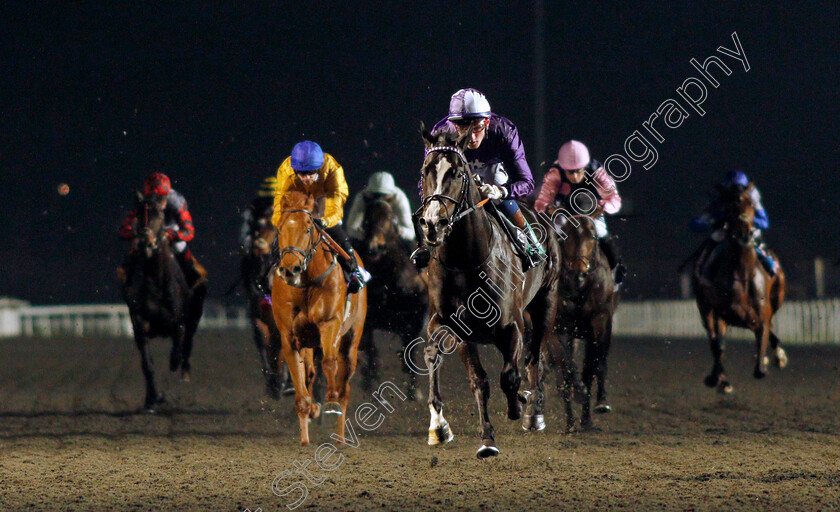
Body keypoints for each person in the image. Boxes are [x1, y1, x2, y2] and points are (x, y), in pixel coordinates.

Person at [412, 88, 545, 270]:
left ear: (487, 122)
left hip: (492, 170)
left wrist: (501, 191)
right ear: (452, 124)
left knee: (496, 182)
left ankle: (530, 242)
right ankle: (424, 247)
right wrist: (432, 204)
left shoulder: (505, 131)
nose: (472, 138)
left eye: (477, 128)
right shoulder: (440, 133)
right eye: (463, 129)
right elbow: (428, 178)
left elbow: (527, 182)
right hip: (457, 173)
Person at [271, 140, 371, 293]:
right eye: (302, 174)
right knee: (279, 239)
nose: (307, 178)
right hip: (299, 205)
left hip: (324, 200)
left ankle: (354, 271)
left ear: (319, 168)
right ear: (294, 169)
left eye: (311, 173)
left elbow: (337, 200)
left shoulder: (332, 169)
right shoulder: (286, 170)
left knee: (335, 231)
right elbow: (280, 200)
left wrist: (325, 221)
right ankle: (269, 277)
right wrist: (281, 222)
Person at [535, 140, 627, 286]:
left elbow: (615, 200)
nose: (575, 177)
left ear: (585, 167)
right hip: (566, 212)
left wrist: (603, 207)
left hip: (591, 212)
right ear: (563, 169)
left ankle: (616, 269)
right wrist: (550, 208)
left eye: (579, 171)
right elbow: (540, 203)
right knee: (553, 233)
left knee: (601, 232)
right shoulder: (555, 173)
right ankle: (544, 273)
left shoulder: (597, 172)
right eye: (570, 172)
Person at [118, 172, 207, 286]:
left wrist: (169, 234)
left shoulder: (176, 201)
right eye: (153, 198)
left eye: (161, 198)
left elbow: (189, 231)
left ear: (167, 195)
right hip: (148, 228)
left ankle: (192, 275)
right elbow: (123, 230)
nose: (158, 203)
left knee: (179, 246)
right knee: (136, 245)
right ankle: (127, 276)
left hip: (169, 226)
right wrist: (135, 233)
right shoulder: (141, 202)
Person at [690, 170, 778, 276]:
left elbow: (764, 223)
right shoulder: (717, 197)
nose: (736, 196)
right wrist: (713, 222)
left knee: (755, 243)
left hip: (746, 231)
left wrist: (745, 219)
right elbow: (697, 223)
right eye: (733, 190)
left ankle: (770, 268)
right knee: (715, 239)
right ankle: (703, 273)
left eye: (740, 190)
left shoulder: (752, 197)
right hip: (724, 232)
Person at [346, 171, 415, 245]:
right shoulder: (361, 197)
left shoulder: (400, 199)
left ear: (391, 195)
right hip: (368, 232)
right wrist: (369, 236)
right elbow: (351, 228)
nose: (380, 200)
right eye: (376, 195)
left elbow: (410, 233)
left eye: (384, 196)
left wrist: (396, 230)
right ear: (369, 193)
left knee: (412, 247)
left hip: (393, 236)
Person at [240, 176, 278, 254]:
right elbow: (243, 237)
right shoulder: (252, 214)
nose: (271, 207)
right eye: (268, 202)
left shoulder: (287, 216)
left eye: (275, 201)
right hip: (257, 257)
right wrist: (253, 243)